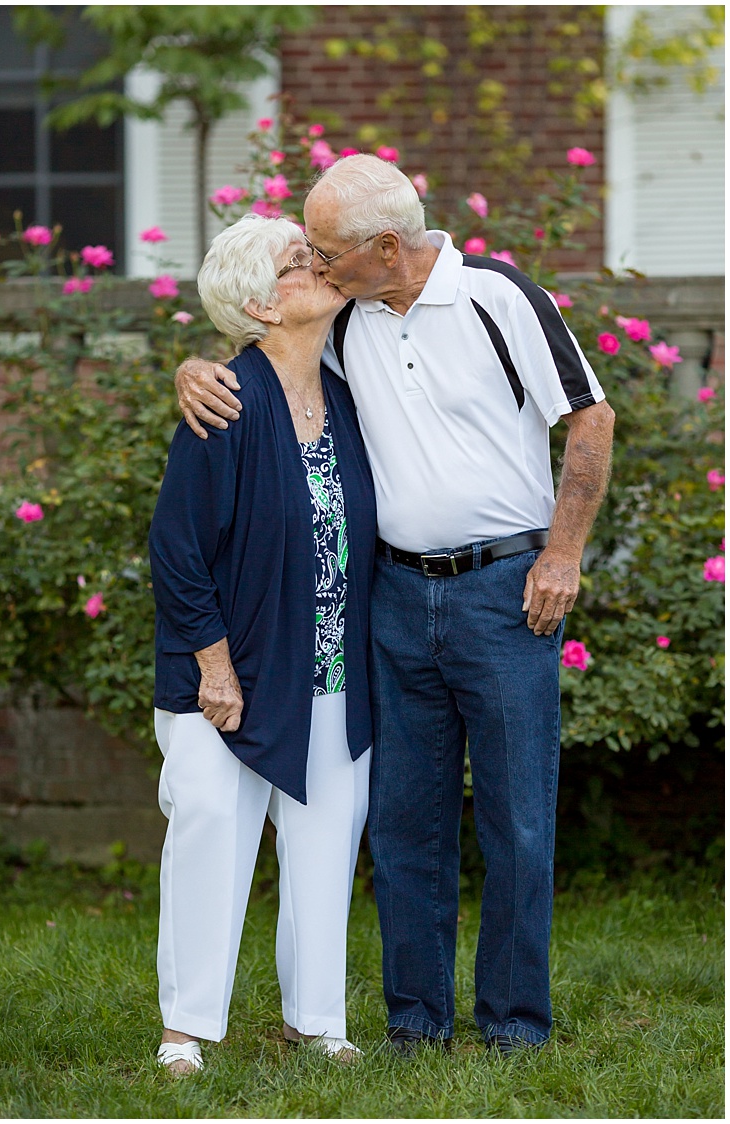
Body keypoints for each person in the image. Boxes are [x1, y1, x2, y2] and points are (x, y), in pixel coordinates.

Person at [174, 154, 615, 1056]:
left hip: (506, 592)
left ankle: (514, 1026)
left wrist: (563, 553)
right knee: (406, 822)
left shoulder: (498, 297)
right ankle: (415, 1022)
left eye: (328, 251)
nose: (320, 266)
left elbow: (590, 415)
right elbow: (268, 358)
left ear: (384, 245)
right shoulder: (348, 320)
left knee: (518, 818)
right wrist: (192, 368)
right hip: (395, 598)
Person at [149, 213, 378, 1075]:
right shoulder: (225, 400)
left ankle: (316, 1020)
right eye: (297, 263)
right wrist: (215, 668)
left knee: (327, 838)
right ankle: (186, 1029)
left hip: (329, 671)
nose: (318, 268)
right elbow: (176, 550)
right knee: (210, 826)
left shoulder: (348, 390)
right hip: (231, 675)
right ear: (261, 304)